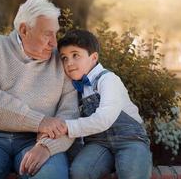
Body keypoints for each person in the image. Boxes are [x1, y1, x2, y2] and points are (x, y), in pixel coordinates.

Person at [0, 0, 79, 179]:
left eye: (56, 33)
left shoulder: (60, 58)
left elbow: (69, 114)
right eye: (47, 34)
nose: (54, 42)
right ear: (24, 30)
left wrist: (47, 147)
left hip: (38, 140)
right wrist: (39, 121)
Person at [57, 29, 152, 179]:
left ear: (94, 57)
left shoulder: (108, 80)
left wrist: (66, 126)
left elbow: (104, 119)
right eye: (64, 58)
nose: (69, 63)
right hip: (98, 143)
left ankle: (130, 158)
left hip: (130, 139)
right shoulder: (73, 87)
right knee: (79, 172)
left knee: (132, 174)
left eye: (75, 55)